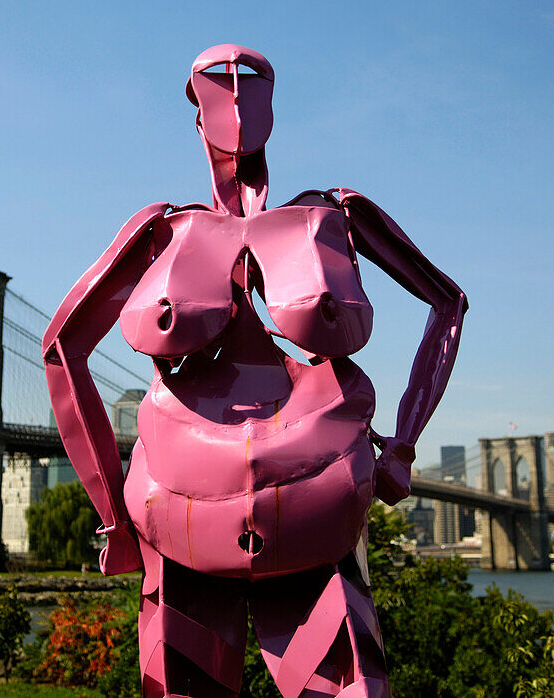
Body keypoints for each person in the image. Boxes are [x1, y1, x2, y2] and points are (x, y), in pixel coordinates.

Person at [43, 44, 467, 698]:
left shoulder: (333, 214)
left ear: (273, 101)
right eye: (216, 84)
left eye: (251, 80)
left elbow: (447, 301)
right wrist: (110, 516)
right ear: (195, 113)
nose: (235, 94)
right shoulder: (164, 229)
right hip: (185, 538)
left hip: (314, 527)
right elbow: (64, 346)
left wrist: (404, 445)